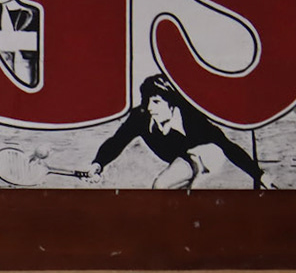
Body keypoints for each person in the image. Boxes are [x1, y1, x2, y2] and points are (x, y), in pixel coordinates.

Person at [81, 73, 267, 190]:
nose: (150, 108)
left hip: (208, 155)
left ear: (172, 104)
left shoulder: (193, 119)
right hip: (184, 158)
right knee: (164, 188)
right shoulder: (141, 117)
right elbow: (117, 141)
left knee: (171, 186)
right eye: (147, 102)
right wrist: (98, 164)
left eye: (156, 102)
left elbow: (227, 147)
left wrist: (259, 175)